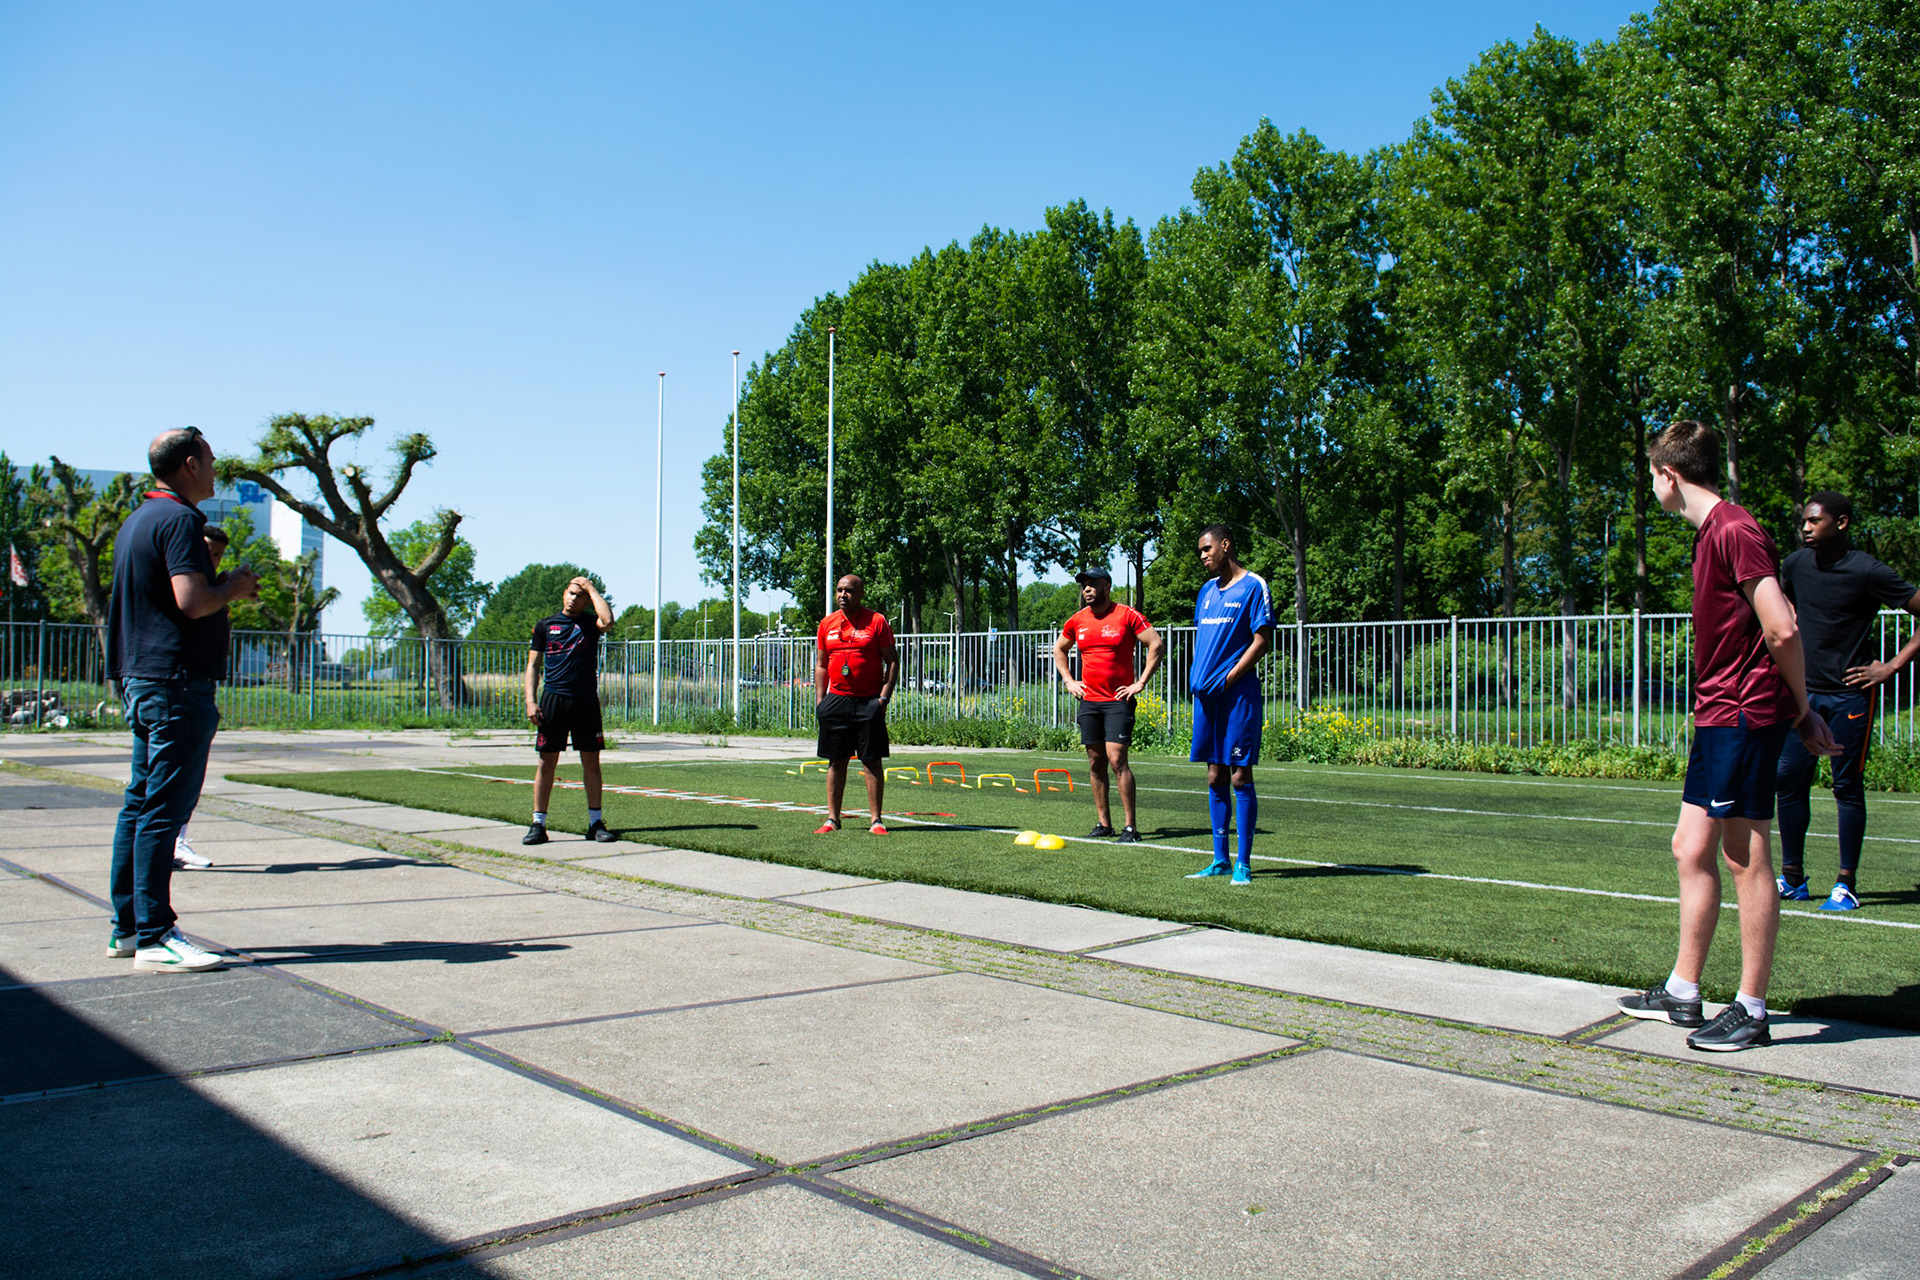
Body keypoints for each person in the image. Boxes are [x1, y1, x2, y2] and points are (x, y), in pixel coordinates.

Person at [1617, 421, 1838, 1052]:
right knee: (1690, 847)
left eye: (1651, 475)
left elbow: (1783, 628)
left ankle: (1751, 1009)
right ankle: (1684, 991)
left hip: (1744, 714)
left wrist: (1800, 710)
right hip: (1719, 715)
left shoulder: (1735, 530)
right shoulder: (1714, 532)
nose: (1651, 485)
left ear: (1668, 475)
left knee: (1746, 856)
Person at [106, 427, 259, 973]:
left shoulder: (139, 519)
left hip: (145, 679)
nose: (217, 469)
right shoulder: (179, 520)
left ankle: (128, 927)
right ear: (191, 464)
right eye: (213, 460)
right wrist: (232, 588)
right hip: (175, 684)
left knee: (140, 803)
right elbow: (192, 602)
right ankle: (156, 934)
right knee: (163, 812)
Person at [1775, 491, 1920, 911]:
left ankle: (1845, 884)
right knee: (1789, 781)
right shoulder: (1795, 565)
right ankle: (1793, 878)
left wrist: (1890, 667)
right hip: (1803, 695)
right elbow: (1780, 609)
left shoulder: (1867, 570)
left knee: (1846, 787)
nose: (1805, 528)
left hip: (1849, 696)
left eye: (1814, 521)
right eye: (1803, 521)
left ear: (1841, 523)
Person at [1183, 525, 1273, 887]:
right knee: (1214, 775)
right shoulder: (1206, 592)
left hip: (1237, 696)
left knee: (1239, 774)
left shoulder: (1254, 586)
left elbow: (1263, 639)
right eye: (1200, 552)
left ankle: (1244, 864)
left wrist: (1232, 676)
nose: (1203, 556)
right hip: (1206, 700)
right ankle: (1219, 859)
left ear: (1225, 545)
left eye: (1207, 549)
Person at [1052, 568, 1164, 842]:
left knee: (1117, 760)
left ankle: (1130, 828)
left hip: (1118, 701)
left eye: (1092, 585)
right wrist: (1069, 681)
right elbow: (1059, 649)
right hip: (1089, 701)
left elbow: (1156, 644)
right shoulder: (1077, 620)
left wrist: (1140, 683)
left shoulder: (1126, 614)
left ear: (1107, 586)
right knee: (1095, 762)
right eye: (1084, 586)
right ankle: (1104, 824)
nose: (1086, 590)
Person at [522, 576, 616, 845]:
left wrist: (591, 587)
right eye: (571, 593)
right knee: (546, 762)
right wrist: (530, 700)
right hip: (553, 700)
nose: (574, 598)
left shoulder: (589, 623)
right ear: (564, 594)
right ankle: (538, 824)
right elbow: (533, 666)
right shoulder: (545, 625)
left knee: (591, 762)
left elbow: (608, 621)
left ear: (586, 600)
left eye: (580, 595)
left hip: (585, 700)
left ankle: (595, 823)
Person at [813, 574, 898, 834]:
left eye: (848, 591)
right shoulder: (827, 624)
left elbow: (892, 662)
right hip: (836, 701)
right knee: (836, 761)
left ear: (860, 593)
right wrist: (820, 701)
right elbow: (820, 665)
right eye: (839, 590)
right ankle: (832, 819)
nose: (842, 595)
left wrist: (883, 698)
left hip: (868, 701)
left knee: (871, 761)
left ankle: (876, 820)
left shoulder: (877, 621)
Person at [171, 524, 230, 874]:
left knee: (188, 774)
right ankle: (170, 843)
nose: (212, 559)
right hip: (179, 685)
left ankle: (174, 839)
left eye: (218, 553)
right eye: (207, 551)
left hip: (201, 683)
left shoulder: (212, 587)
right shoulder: (188, 586)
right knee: (172, 774)